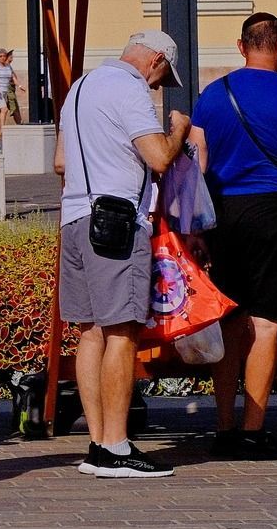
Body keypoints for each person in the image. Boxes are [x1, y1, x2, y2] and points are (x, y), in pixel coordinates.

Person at [54, 30, 189, 479]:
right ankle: (116, 445)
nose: (157, 86)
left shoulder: (80, 86)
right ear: (154, 61)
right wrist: (178, 131)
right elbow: (158, 158)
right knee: (122, 330)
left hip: (74, 215)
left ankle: (97, 442)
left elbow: (60, 162)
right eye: (161, 77)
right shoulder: (129, 89)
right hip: (115, 219)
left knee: (90, 332)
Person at [190, 12, 277, 461]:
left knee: (229, 321)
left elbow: (198, 162)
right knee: (266, 324)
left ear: (240, 45)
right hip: (273, 211)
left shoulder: (212, 94)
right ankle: (254, 428)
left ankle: (224, 426)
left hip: (224, 213)